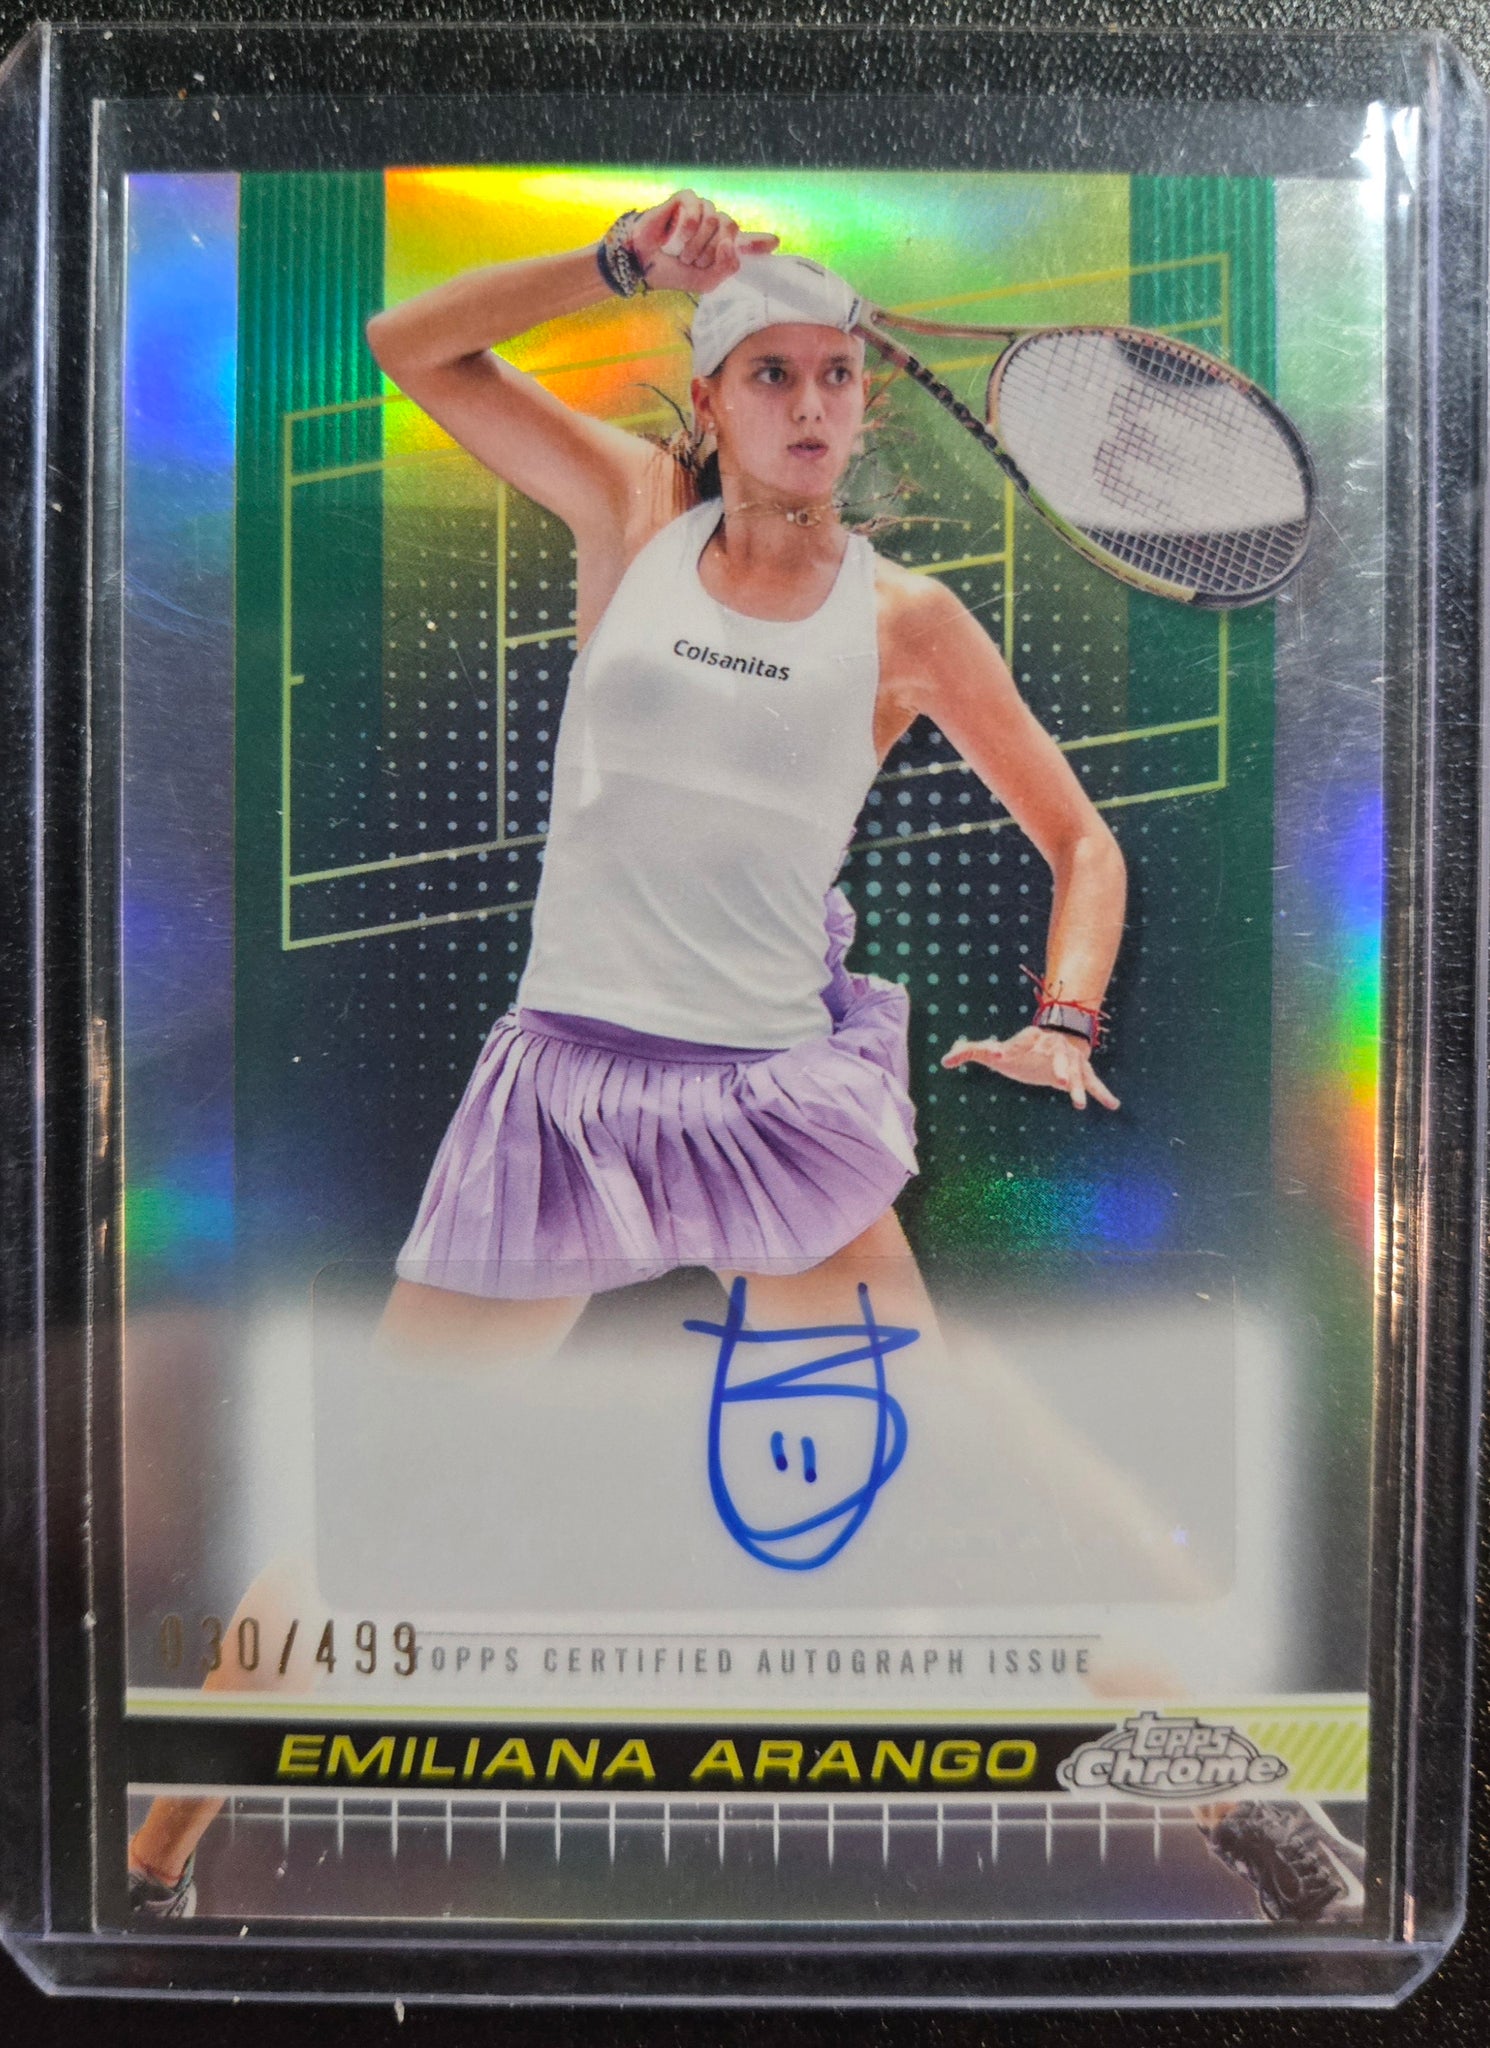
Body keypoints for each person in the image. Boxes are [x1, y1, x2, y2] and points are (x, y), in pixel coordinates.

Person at [365, 188, 1127, 1366]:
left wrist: (1063, 1022)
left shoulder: (908, 619)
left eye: (835, 375)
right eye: (771, 374)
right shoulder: (633, 510)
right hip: (560, 1084)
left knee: (906, 1454)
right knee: (391, 1464)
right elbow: (408, 345)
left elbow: (1082, 841)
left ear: (863, 406)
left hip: (766, 1101)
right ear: (710, 396)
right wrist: (621, 260)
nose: (809, 402)